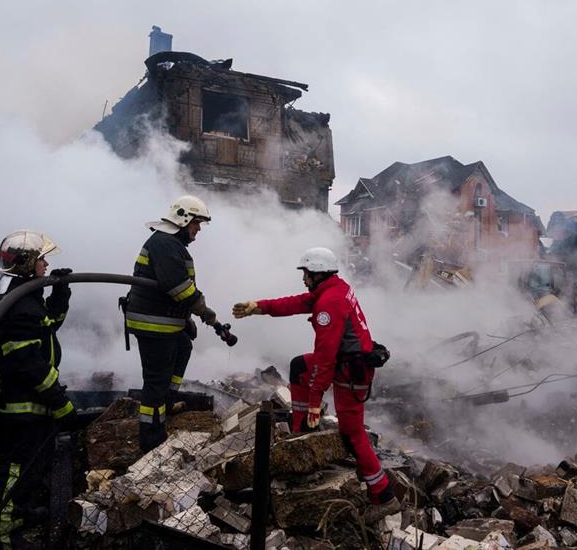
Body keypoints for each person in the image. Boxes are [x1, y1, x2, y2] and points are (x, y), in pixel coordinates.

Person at [232, 247, 398, 514]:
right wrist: (258, 307)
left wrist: (314, 402)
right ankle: (302, 437)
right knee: (299, 367)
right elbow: (297, 302)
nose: (303, 278)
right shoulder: (333, 289)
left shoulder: (329, 304)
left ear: (318, 273)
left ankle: (384, 496)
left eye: (306, 273)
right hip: (345, 363)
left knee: (352, 432)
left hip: (349, 370)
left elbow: (325, 359)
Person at [0, 230, 77, 549]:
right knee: (17, 470)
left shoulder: (24, 297)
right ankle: (5, 533)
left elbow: (50, 323)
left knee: (28, 469)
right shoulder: (19, 304)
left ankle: (17, 518)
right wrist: (60, 401)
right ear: (26, 265)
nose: (46, 264)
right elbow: (29, 365)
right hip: (22, 406)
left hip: (27, 404)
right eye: (40, 260)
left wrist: (61, 292)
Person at [125, 195, 219, 452]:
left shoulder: (171, 244)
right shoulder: (165, 244)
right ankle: (152, 439)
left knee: (184, 346)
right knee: (155, 382)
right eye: (196, 224)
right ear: (183, 219)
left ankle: (165, 402)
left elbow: (173, 289)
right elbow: (178, 288)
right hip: (154, 326)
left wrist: (184, 319)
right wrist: (205, 313)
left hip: (165, 321)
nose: (198, 230)